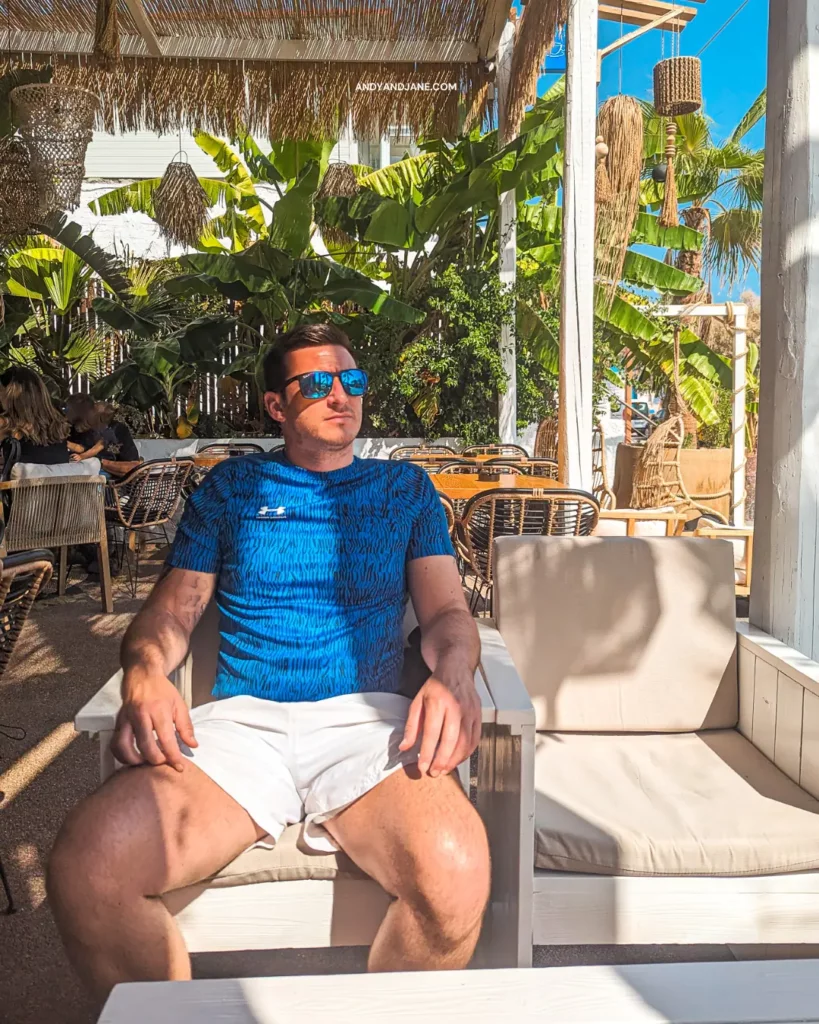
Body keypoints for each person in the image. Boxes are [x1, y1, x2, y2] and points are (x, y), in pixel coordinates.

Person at [47, 323, 489, 1003]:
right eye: (316, 383)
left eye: (352, 381)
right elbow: (173, 613)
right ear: (277, 407)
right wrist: (143, 673)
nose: (340, 395)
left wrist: (453, 674)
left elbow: (447, 617)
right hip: (240, 728)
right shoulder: (231, 490)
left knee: (455, 874)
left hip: (368, 727)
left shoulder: (403, 490)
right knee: (88, 867)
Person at [0, 366, 72, 470]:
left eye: (1, 390)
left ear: (10, 394)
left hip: (17, 485)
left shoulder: (6, 425)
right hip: (57, 485)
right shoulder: (58, 425)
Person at [96, 402, 142, 478]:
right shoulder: (83, 431)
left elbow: (134, 467)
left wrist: (101, 463)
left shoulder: (118, 430)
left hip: (113, 485)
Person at [64, 393, 105, 464]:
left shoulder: (91, 428)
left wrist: (61, 442)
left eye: (68, 409)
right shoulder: (73, 425)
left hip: (96, 463)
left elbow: (82, 448)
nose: (66, 411)